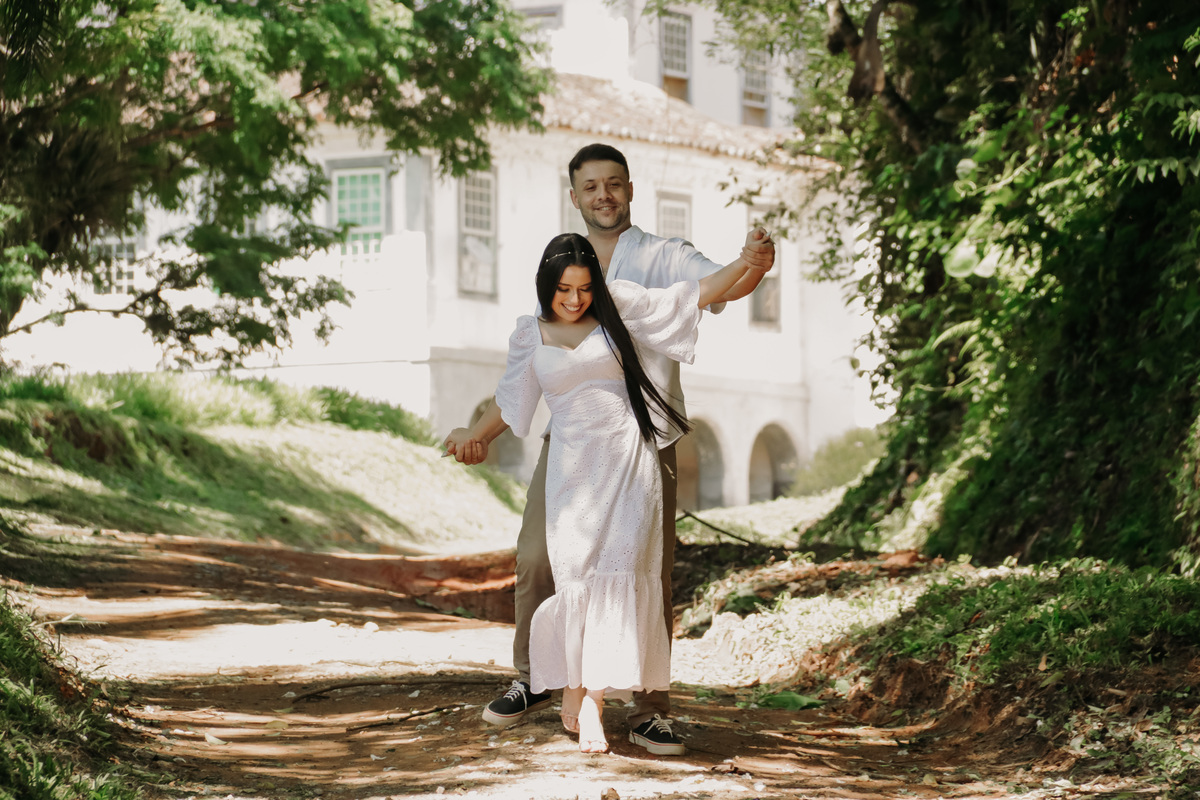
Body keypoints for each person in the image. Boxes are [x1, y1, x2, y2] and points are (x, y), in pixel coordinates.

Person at [445, 143, 775, 755]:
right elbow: (522, 383)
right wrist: (478, 439)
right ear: (574, 196)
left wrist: (754, 262)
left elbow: (716, 288)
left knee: (644, 568)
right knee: (538, 557)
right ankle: (536, 678)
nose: (604, 195)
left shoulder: (660, 258)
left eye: (614, 184)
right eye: (591, 186)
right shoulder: (558, 275)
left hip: (643, 439)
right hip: (569, 442)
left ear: (630, 189)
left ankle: (650, 706)